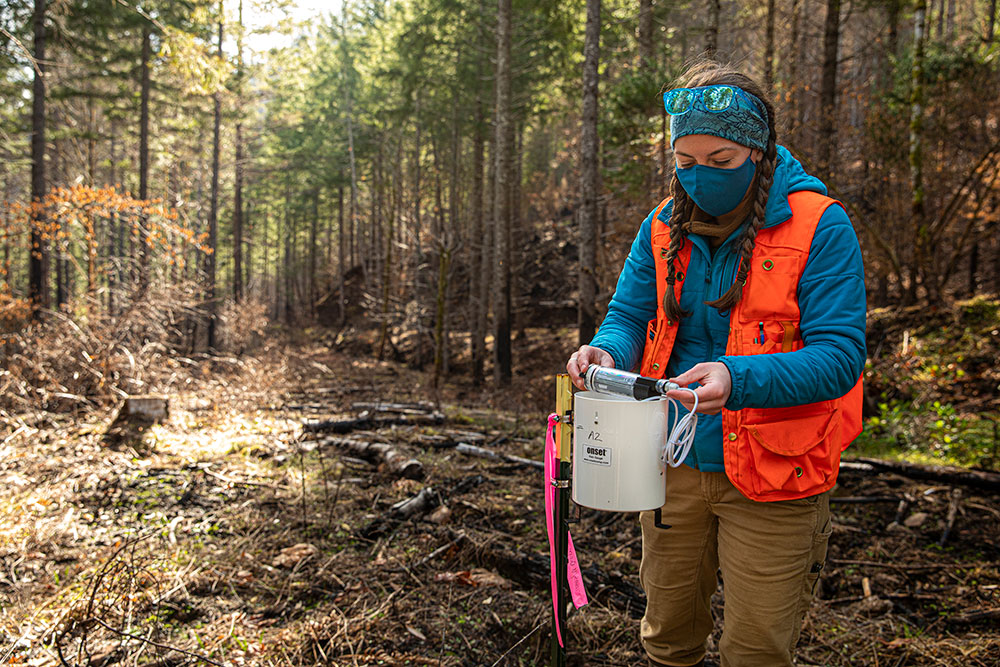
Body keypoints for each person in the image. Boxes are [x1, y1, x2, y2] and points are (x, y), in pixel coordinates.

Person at [566, 59, 866, 667]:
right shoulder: (659, 227)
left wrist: (736, 378)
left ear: (758, 152)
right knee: (668, 635)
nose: (700, 176)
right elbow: (628, 317)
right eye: (684, 162)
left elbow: (840, 358)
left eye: (721, 161)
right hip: (670, 464)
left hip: (777, 476)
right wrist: (605, 350)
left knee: (755, 648)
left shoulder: (820, 226)